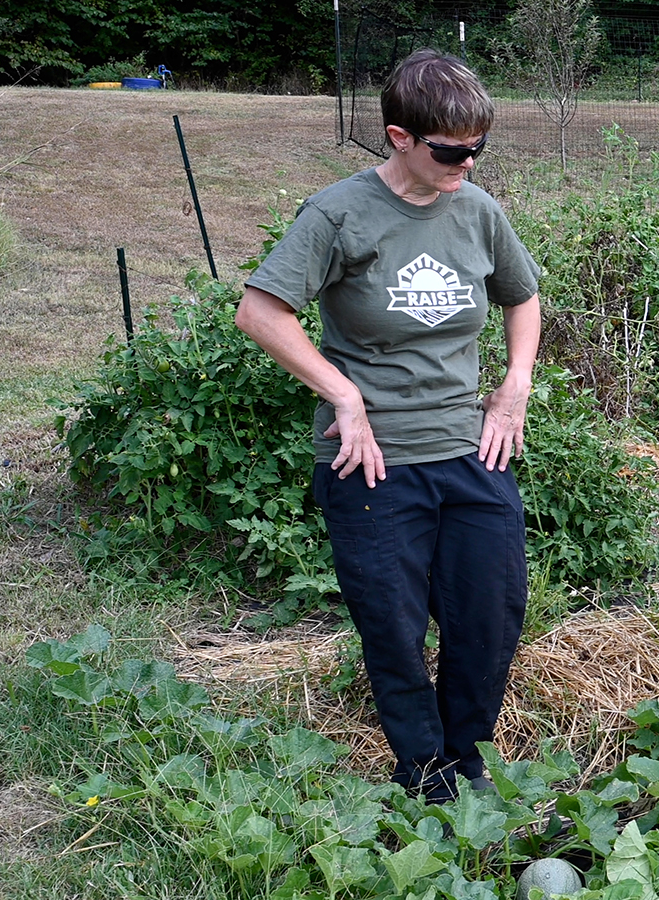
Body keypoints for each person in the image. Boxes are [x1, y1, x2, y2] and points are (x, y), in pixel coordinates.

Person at [235, 49, 541, 803]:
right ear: (399, 137)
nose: (467, 163)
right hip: (371, 464)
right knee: (396, 631)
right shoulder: (338, 214)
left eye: (478, 148)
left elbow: (522, 297)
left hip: (469, 451)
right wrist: (342, 395)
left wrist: (514, 388)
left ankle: (467, 765)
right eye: (451, 150)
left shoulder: (479, 211)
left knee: (490, 618)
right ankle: (424, 777)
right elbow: (262, 313)